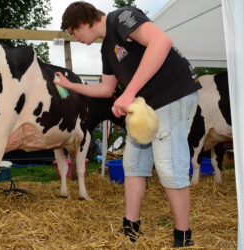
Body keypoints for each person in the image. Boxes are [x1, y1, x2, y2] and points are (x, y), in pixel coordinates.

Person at [55, 2, 201, 248]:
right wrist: (71, 86)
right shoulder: (106, 50)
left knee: (168, 166)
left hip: (173, 95)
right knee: (132, 163)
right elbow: (106, 89)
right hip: (145, 105)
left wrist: (129, 93)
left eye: (73, 33)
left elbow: (161, 42)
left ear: (80, 23)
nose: (75, 38)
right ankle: (130, 226)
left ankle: (183, 236)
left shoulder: (122, 17)